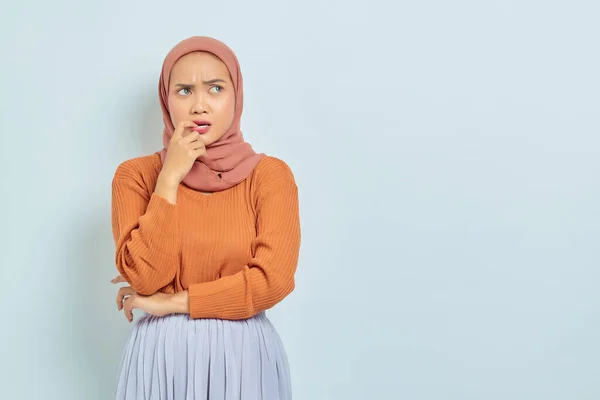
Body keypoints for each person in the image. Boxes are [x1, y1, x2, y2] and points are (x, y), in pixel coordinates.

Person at [109, 36, 301, 399]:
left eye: (215, 88)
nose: (200, 106)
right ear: (166, 102)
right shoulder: (134, 176)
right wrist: (169, 178)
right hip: (160, 358)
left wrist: (174, 302)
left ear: (236, 95)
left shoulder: (269, 176)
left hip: (243, 357)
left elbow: (272, 280)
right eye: (184, 91)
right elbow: (147, 277)